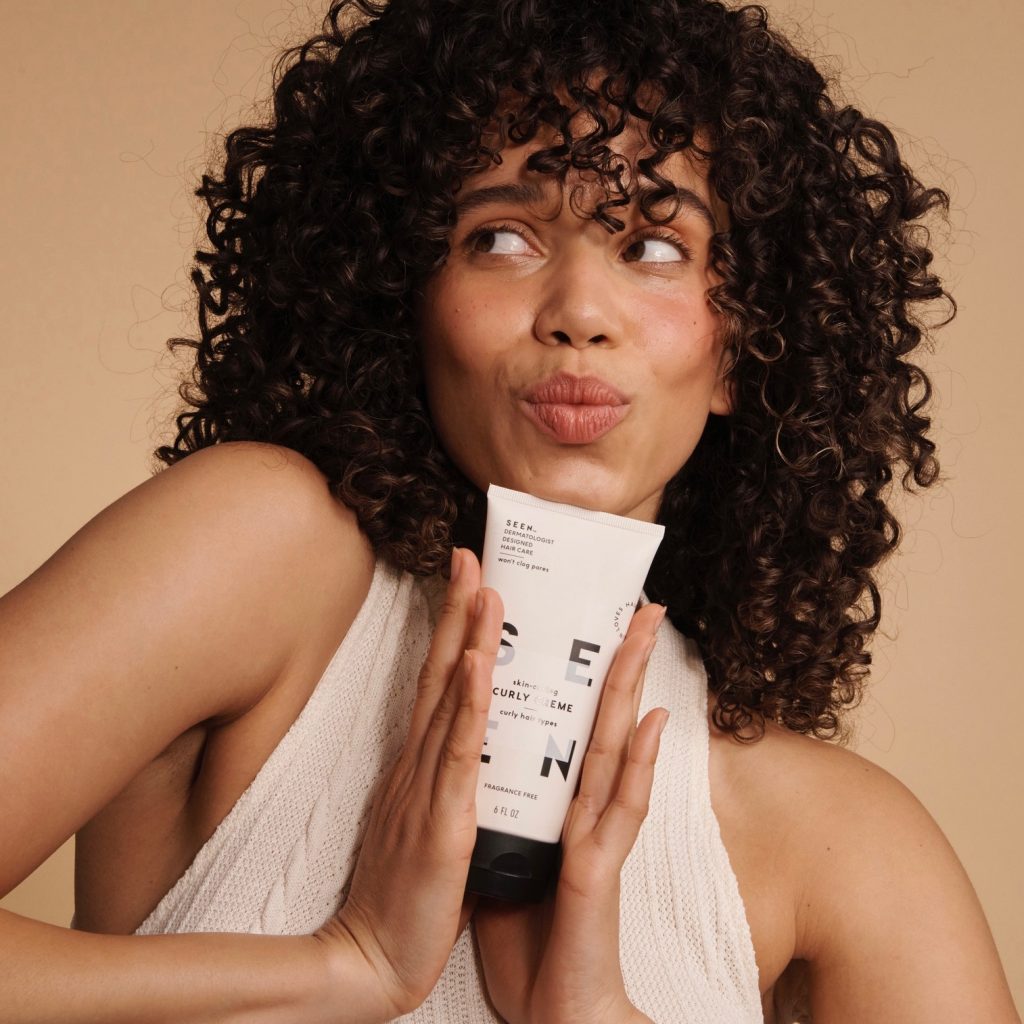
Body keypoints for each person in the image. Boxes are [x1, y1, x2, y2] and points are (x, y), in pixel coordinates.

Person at [0, 0, 1019, 1020]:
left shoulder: (843, 845)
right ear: (402, 292)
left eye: (655, 246)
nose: (576, 310)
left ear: (741, 345)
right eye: (499, 237)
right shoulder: (253, 554)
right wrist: (342, 965)